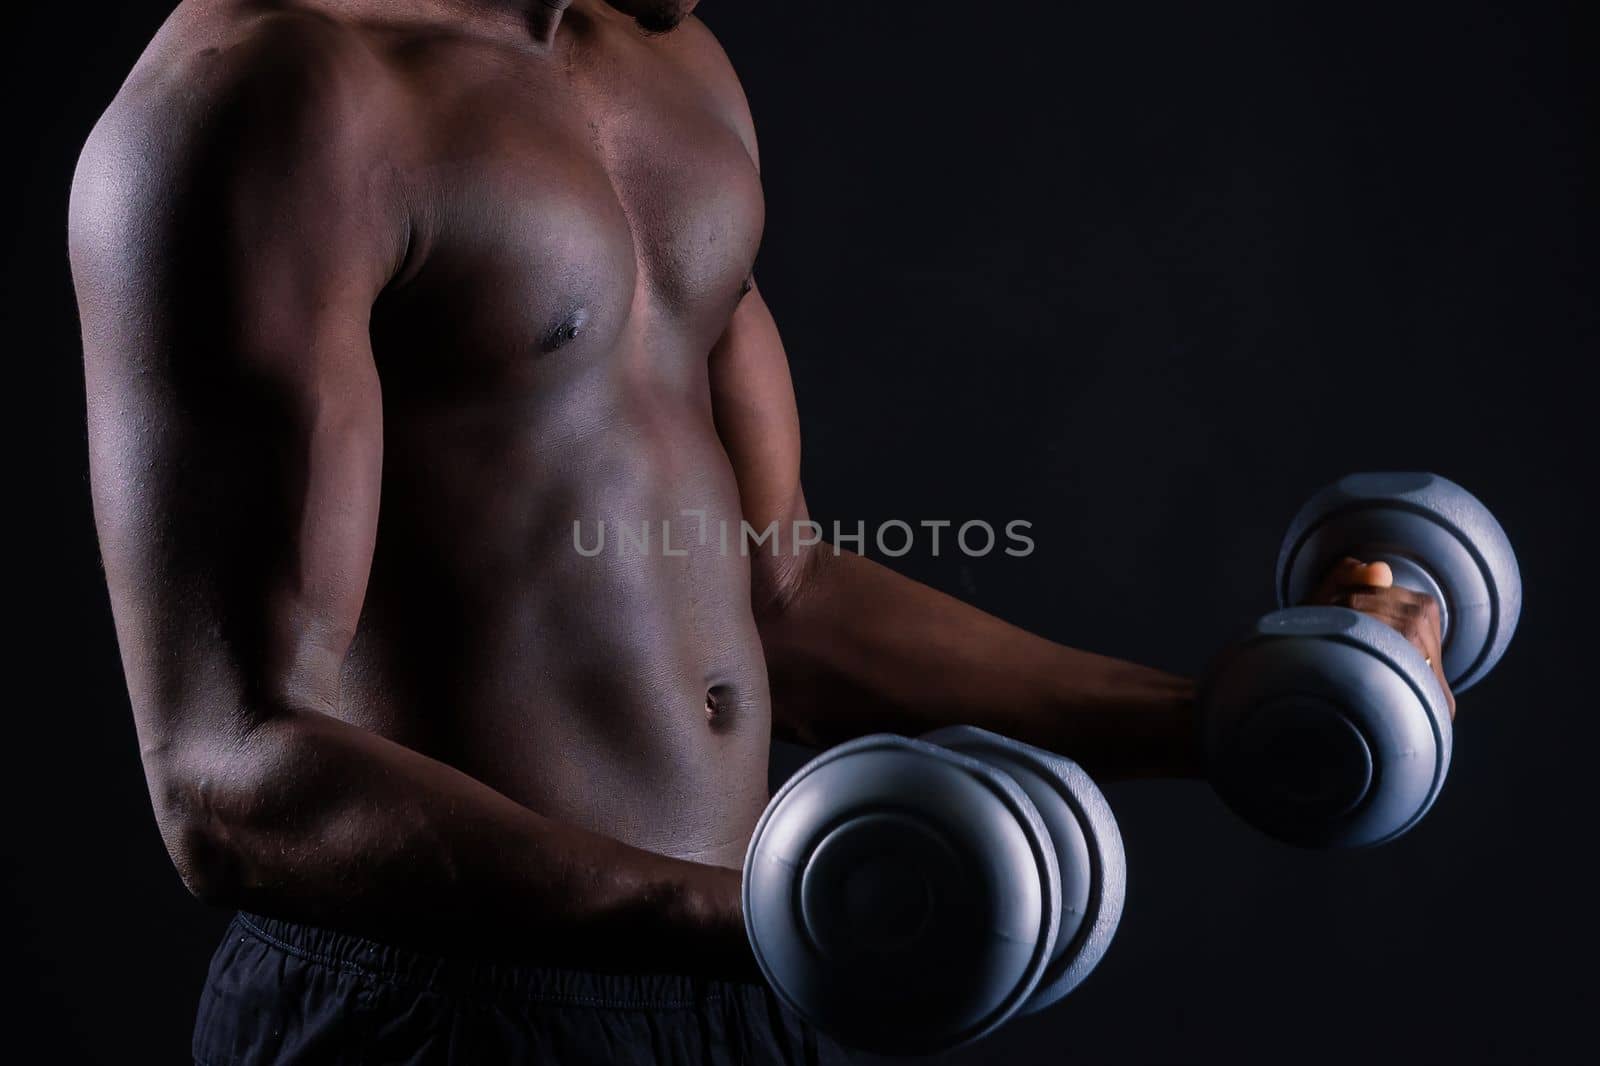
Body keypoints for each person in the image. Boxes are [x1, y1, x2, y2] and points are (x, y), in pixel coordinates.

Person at [69, 1, 1452, 1061]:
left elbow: (775, 593)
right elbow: (229, 781)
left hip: (743, 992)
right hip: (433, 1010)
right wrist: (756, 909)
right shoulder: (269, 107)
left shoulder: (666, 71)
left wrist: (1222, 722)